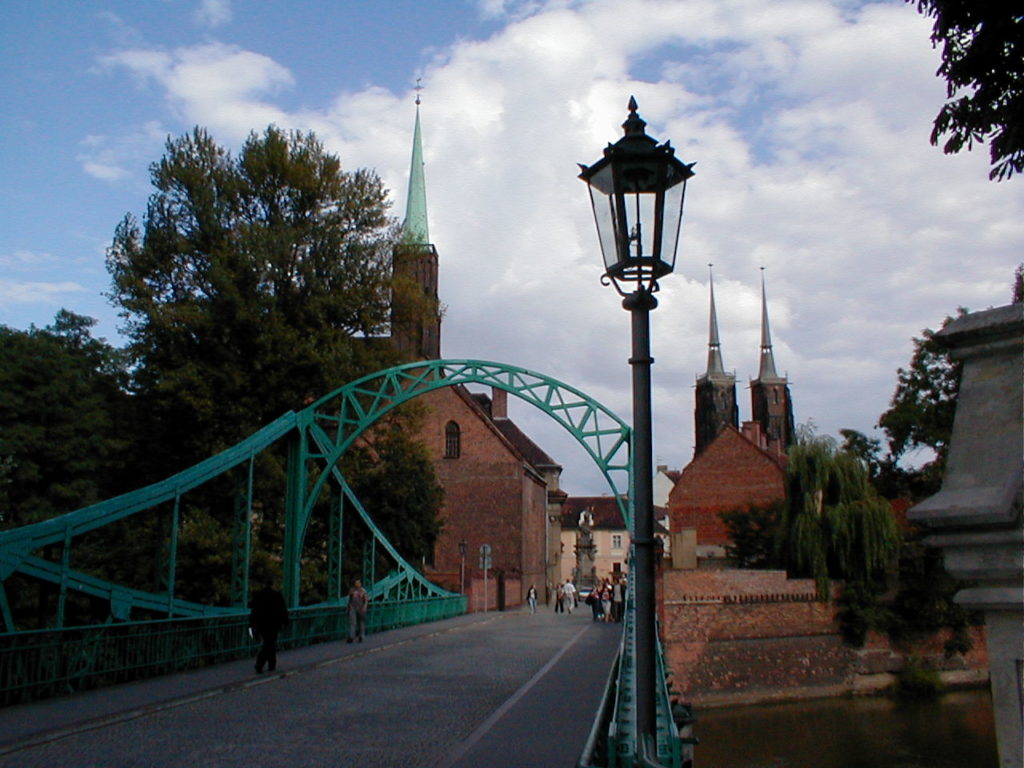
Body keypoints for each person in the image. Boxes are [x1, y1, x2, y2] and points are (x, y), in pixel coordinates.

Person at [249, 583, 289, 674]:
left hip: (261, 624)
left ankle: (272, 664)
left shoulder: (259, 595)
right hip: (274, 624)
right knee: (270, 643)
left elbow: (253, 609)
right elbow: (283, 610)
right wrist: (285, 622)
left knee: (269, 642)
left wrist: (252, 624)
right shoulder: (277, 595)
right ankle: (260, 662)